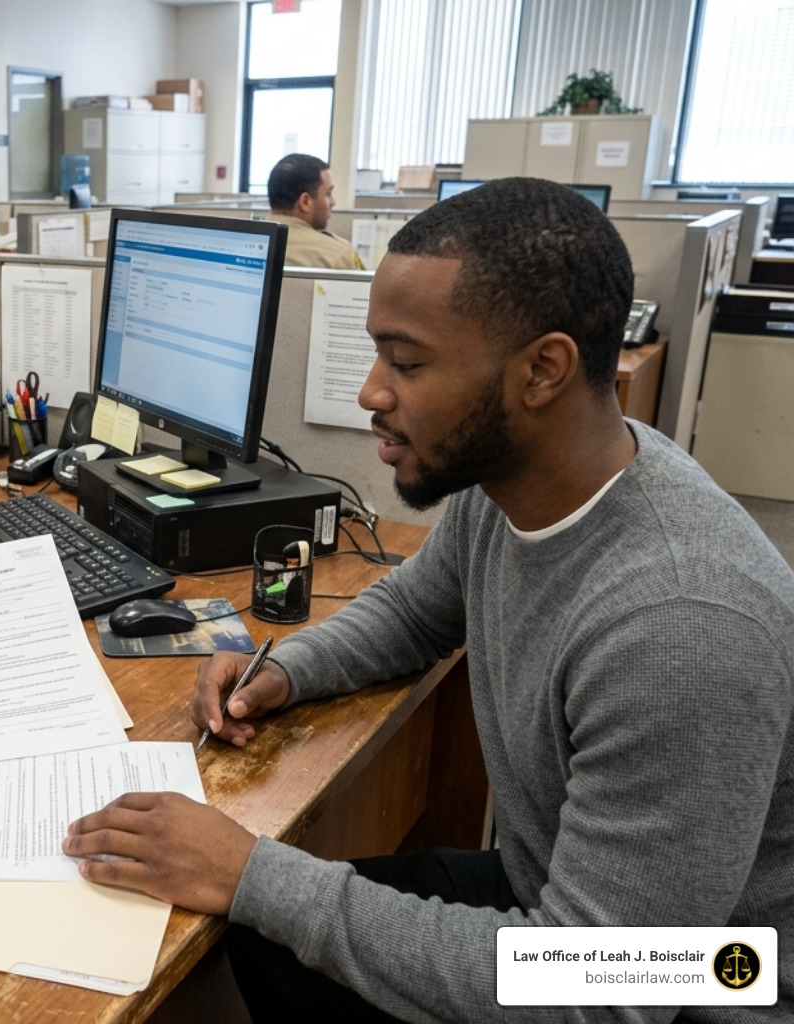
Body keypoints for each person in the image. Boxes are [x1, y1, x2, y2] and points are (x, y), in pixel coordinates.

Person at [63, 177, 794, 1021]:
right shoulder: (517, 482)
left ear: (543, 371)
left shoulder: (681, 628)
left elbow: (606, 987)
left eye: (407, 362)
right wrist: (287, 671)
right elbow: (416, 609)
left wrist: (250, 871)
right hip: (558, 896)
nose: (372, 391)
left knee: (266, 909)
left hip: (690, 984)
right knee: (264, 936)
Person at [266, 152, 364, 270]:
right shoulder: (338, 254)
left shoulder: (243, 241)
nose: (333, 202)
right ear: (305, 202)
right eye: (328, 194)